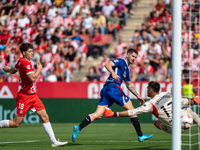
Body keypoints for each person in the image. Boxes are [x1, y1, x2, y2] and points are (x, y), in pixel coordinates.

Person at [72, 48, 153, 142]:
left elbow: (128, 84)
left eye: (135, 57)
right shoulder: (121, 61)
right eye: (132, 56)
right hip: (113, 88)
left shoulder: (127, 69)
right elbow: (107, 64)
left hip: (106, 89)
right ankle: (140, 135)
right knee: (132, 111)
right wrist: (113, 73)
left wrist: (137, 95)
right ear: (127, 55)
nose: (134, 58)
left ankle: (78, 128)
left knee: (98, 114)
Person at [1, 43, 68, 147]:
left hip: (33, 96)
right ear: (23, 53)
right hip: (24, 96)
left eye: (32, 51)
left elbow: (14, 70)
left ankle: (54, 142)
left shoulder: (21, 61)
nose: (32, 53)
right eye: (29, 51)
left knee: (45, 117)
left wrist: (8, 69)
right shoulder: (25, 63)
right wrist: (39, 69)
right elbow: (32, 78)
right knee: (16, 123)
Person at [104, 81, 200, 134]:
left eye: (147, 89)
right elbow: (183, 101)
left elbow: (133, 112)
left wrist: (114, 114)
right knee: (188, 109)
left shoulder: (150, 104)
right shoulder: (167, 94)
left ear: (150, 90)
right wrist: (194, 101)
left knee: (156, 122)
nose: (146, 91)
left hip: (174, 130)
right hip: (186, 121)